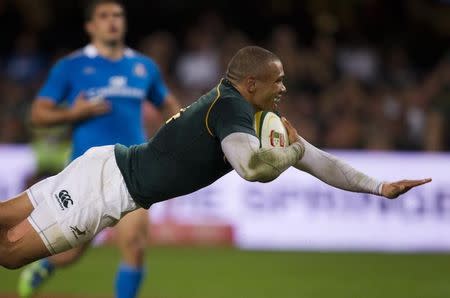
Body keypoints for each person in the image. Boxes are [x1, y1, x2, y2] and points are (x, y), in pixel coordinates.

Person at [1, 45, 431, 279]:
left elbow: (318, 161)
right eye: (276, 79)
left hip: (106, 167)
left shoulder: (249, 112)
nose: (283, 86)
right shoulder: (229, 110)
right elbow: (250, 168)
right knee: (11, 254)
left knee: (7, 219)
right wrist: (291, 152)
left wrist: (379, 187)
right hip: (105, 190)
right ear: (251, 83)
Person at [16, 1, 181, 298]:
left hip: (133, 168)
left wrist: (174, 129)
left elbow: (168, 105)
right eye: (104, 16)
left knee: (134, 245)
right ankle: (46, 267)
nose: (112, 21)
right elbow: (38, 114)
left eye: (117, 15)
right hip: (85, 173)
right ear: (90, 26)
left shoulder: (144, 67)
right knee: (69, 253)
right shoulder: (71, 66)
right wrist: (72, 114)